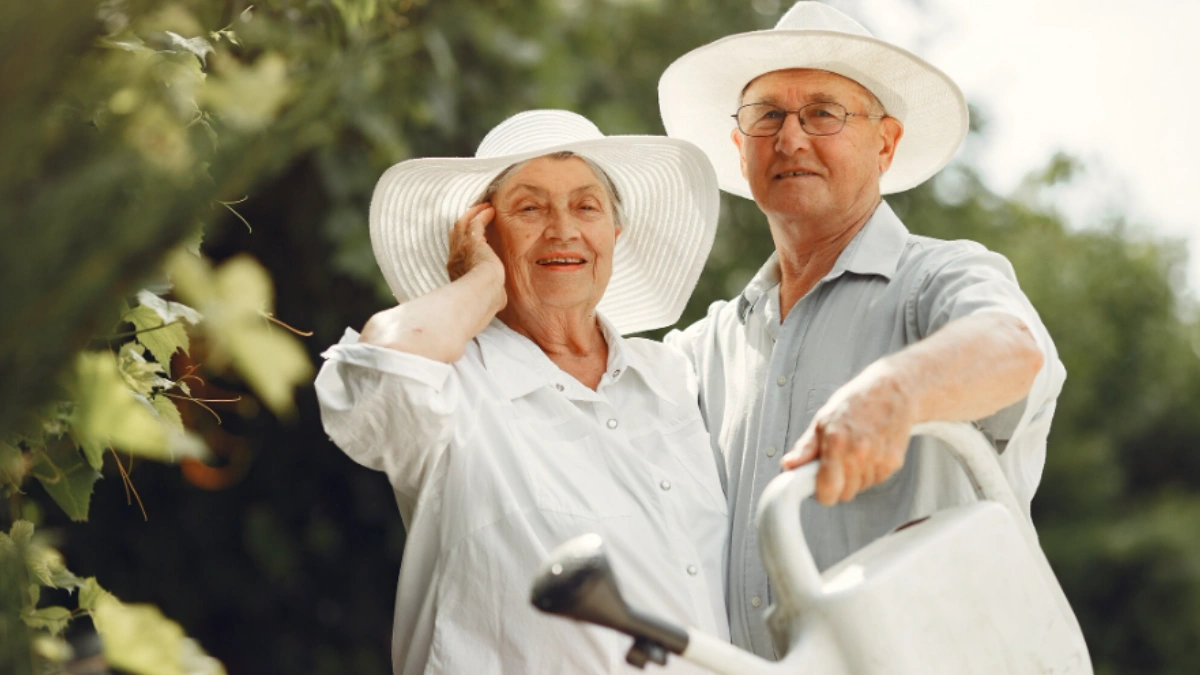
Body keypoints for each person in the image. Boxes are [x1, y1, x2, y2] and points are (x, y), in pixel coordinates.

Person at [657, 1, 1068, 658]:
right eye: (767, 115)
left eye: (823, 112)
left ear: (885, 144)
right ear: (739, 149)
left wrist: (894, 391)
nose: (791, 139)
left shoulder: (940, 276)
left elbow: (1012, 347)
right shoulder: (704, 349)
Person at [315, 110, 729, 675]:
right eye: (530, 209)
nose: (563, 229)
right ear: (483, 234)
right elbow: (379, 371)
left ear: (615, 235)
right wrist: (482, 280)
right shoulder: (453, 383)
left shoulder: (674, 375)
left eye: (586, 207)